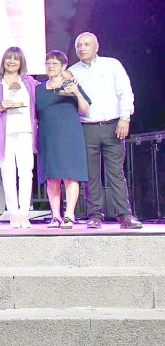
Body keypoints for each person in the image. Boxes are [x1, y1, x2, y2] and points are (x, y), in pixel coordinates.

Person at [69, 32, 142, 229]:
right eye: (79, 45)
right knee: (91, 174)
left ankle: (124, 215)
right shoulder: (71, 71)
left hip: (113, 125)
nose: (82, 48)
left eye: (86, 44)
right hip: (86, 128)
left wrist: (125, 118)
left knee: (116, 172)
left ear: (96, 47)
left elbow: (125, 91)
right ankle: (95, 215)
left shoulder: (112, 65)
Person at [0, 47, 39, 229]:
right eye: (8, 58)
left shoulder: (29, 82)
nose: (12, 61)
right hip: (3, 134)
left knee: (26, 173)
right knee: (7, 174)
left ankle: (24, 214)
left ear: (21, 61)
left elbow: (47, 92)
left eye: (16, 58)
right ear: (3, 61)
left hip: (25, 132)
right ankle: (13, 213)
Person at [35, 50, 91, 229]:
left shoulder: (70, 85)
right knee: (52, 177)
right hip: (47, 135)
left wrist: (77, 93)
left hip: (69, 134)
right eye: (48, 63)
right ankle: (55, 215)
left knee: (70, 175)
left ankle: (69, 215)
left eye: (55, 63)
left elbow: (84, 110)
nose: (51, 67)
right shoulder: (38, 88)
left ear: (63, 66)